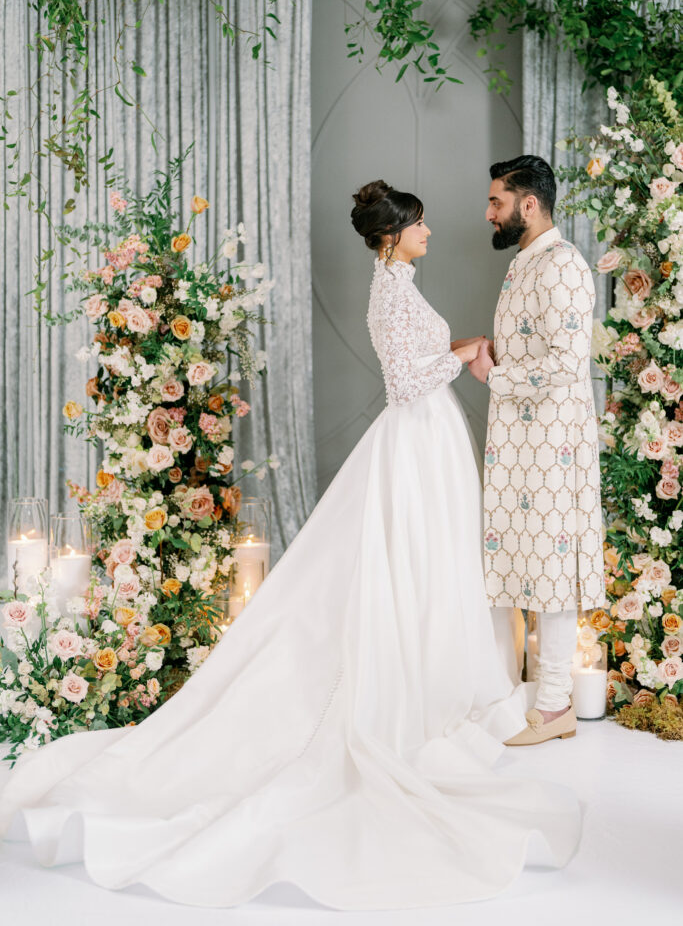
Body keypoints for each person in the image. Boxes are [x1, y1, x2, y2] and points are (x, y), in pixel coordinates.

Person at [0, 180, 580, 910]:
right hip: (414, 436)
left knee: (432, 565)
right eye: (420, 226)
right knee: (410, 563)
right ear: (392, 234)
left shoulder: (399, 282)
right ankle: (415, 684)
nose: (430, 233)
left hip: (429, 439)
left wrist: (456, 350)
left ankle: (441, 669)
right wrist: (464, 355)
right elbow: (405, 383)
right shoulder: (390, 293)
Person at [468, 156, 605, 746]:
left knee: (551, 572)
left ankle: (553, 705)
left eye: (497, 202)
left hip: (554, 449)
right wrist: (499, 353)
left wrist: (494, 377)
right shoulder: (528, 263)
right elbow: (537, 346)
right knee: (521, 565)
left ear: (529, 204)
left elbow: (567, 363)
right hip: (521, 446)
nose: (490, 213)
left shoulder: (565, 264)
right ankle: (531, 696)